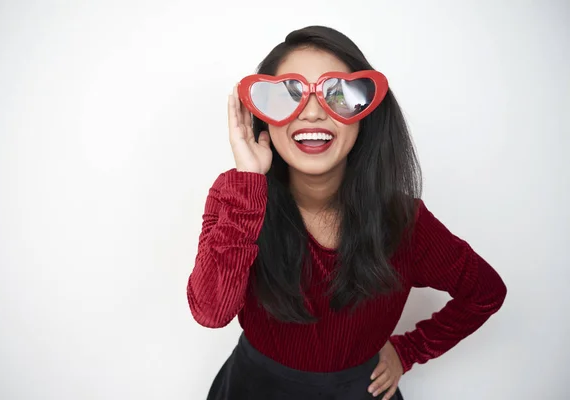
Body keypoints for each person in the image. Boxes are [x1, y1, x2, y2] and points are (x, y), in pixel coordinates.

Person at [186, 25, 507, 400]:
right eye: (287, 96)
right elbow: (211, 312)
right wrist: (249, 183)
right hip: (253, 388)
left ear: (365, 111)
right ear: (264, 116)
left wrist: (408, 352)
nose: (311, 113)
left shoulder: (403, 220)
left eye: (336, 94)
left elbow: (485, 292)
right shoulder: (236, 194)